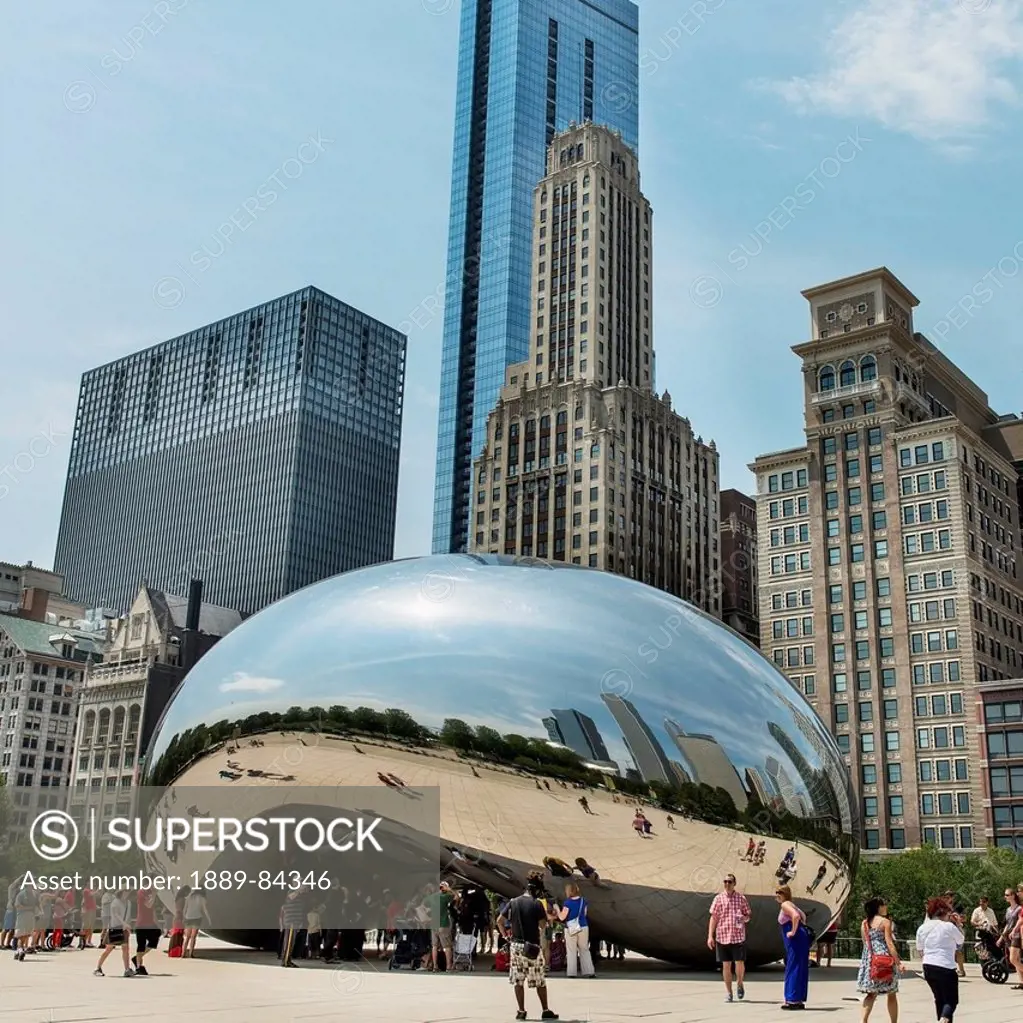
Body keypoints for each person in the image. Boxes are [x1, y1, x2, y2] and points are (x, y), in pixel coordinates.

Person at [497, 870, 559, 1021]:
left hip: (516, 946)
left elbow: (499, 920)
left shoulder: (513, 902)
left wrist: (506, 936)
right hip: (532, 948)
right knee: (539, 980)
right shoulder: (537, 904)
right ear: (537, 890)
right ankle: (545, 1009)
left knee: (518, 980)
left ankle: (521, 1011)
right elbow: (543, 925)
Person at [916, 896, 963, 1023]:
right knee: (951, 1000)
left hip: (928, 966)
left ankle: (942, 1018)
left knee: (939, 999)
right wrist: (958, 924)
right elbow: (960, 940)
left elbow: (920, 949)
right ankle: (943, 1020)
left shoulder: (922, 928)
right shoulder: (948, 926)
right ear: (943, 912)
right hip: (945, 966)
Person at [856, 897, 903, 1023]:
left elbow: (864, 941)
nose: (886, 908)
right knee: (891, 993)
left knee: (871, 993)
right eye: (885, 905)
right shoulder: (885, 922)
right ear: (879, 907)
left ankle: (863, 1020)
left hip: (870, 959)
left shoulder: (865, 923)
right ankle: (893, 1021)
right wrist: (898, 962)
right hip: (885, 959)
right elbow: (890, 944)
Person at [708, 873, 751, 1003]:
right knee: (726, 965)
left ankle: (739, 983)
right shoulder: (718, 898)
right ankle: (728, 992)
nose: (727, 884)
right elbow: (714, 917)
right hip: (722, 936)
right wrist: (710, 936)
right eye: (725, 882)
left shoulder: (741, 898)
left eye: (730, 882)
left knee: (739, 962)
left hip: (738, 936)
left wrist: (744, 918)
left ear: (734, 884)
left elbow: (748, 915)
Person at [775, 885, 811, 1010]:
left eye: (779, 892)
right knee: (800, 966)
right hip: (801, 937)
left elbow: (795, 916)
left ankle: (792, 999)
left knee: (793, 965)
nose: (777, 895)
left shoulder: (785, 905)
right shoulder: (793, 904)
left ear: (785, 894)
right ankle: (799, 998)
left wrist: (793, 931)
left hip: (794, 938)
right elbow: (803, 917)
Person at [556, 882, 595, 978]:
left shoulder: (567, 903)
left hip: (571, 928)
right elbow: (584, 914)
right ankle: (589, 971)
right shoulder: (583, 901)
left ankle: (572, 972)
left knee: (571, 950)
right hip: (583, 926)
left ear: (569, 891)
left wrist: (557, 909)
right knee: (584, 949)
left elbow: (562, 917)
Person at [94, 889, 133, 977]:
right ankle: (98, 968)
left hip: (124, 928)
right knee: (108, 949)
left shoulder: (128, 903)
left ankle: (127, 969)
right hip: (115, 928)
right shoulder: (115, 902)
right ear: (121, 892)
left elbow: (128, 915)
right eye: (126, 890)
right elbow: (116, 914)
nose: (128, 892)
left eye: (129, 891)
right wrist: (125, 924)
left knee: (126, 949)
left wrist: (127, 926)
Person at [132, 888, 161, 975]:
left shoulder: (151, 893)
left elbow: (153, 910)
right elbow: (148, 905)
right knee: (141, 944)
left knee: (153, 941)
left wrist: (158, 925)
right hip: (141, 924)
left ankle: (137, 958)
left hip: (151, 924)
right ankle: (138, 967)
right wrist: (154, 894)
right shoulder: (141, 892)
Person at [999, 887, 1023, 989]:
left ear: (1013, 896)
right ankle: (1022, 982)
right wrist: (1001, 937)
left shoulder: (1019, 908)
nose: (1005, 897)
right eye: (1005, 895)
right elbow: (1007, 925)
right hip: (1008, 936)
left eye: (1007, 895)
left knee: (1013, 959)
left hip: (1016, 935)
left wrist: (1014, 930)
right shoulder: (1008, 910)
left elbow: (1020, 920)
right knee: (1016, 960)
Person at [942, 891, 966, 978]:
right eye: (946, 897)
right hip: (945, 930)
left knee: (958, 951)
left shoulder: (958, 906)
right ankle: (950, 969)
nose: (947, 898)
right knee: (948, 950)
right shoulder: (942, 907)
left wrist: (957, 917)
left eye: (949, 896)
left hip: (956, 929)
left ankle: (961, 970)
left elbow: (964, 918)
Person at [181, 886, 210, 958]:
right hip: (197, 918)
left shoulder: (189, 897)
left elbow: (185, 908)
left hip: (188, 917)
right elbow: (205, 910)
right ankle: (191, 953)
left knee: (187, 937)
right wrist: (209, 919)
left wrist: (184, 917)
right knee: (193, 937)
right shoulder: (202, 898)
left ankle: (183, 953)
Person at [970, 896, 999, 961]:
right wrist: (980, 924)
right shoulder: (976, 911)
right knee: (980, 949)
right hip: (980, 932)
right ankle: (984, 965)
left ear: (987, 902)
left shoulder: (991, 911)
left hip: (990, 933)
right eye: (980, 902)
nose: (981, 903)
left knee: (990, 949)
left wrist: (997, 933)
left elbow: (995, 923)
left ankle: (991, 964)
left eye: (983, 902)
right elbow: (972, 922)